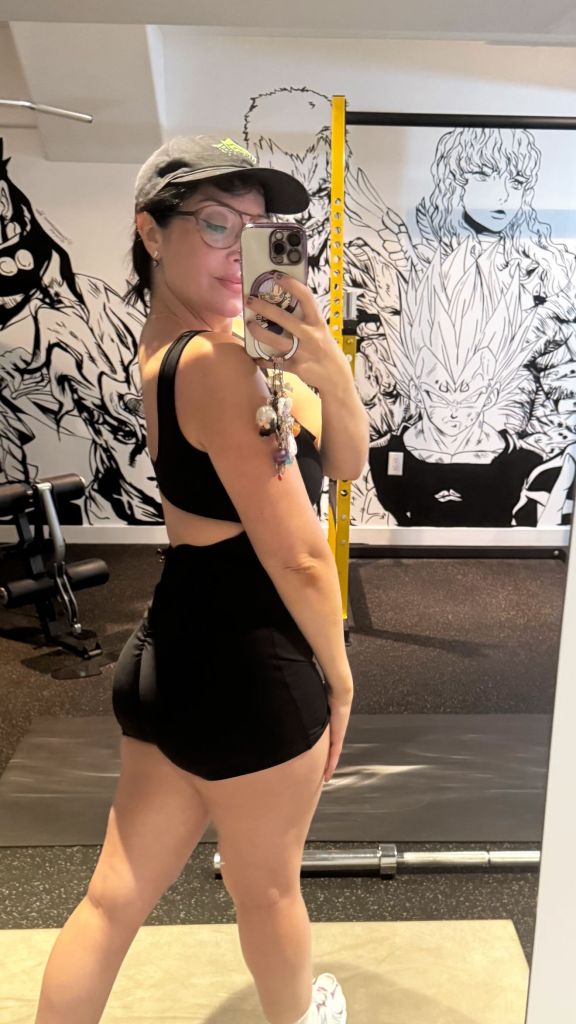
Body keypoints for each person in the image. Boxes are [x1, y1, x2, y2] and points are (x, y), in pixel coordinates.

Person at [33, 135, 369, 1024]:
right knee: (268, 892)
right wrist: (340, 680)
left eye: (255, 228)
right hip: (251, 674)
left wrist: (327, 367)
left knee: (114, 899)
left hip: (169, 657)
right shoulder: (220, 366)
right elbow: (299, 555)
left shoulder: (190, 351)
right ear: (151, 232)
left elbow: (344, 458)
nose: (237, 247)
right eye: (215, 223)